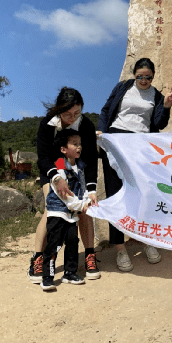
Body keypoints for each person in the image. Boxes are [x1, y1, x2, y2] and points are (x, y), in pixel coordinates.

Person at [97, 58, 172, 272]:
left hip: (140, 146)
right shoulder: (122, 88)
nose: (143, 80)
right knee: (116, 195)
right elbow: (106, 111)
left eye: (148, 77)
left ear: (153, 76)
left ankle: (146, 239)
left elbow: (159, 123)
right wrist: (101, 131)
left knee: (142, 194)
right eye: (139, 76)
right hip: (116, 142)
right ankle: (120, 248)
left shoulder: (156, 95)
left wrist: (166, 106)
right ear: (134, 75)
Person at [28, 87, 100, 284]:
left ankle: (89, 256)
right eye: (67, 114)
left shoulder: (85, 125)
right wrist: (56, 178)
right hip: (52, 170)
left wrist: (91, 190)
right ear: (59, 109)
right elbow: (42, 157)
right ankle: (38, 258)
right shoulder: (47, 124)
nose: (71, 118)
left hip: (77, 170)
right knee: (51, 209)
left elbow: (92, 159)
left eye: (76, 113)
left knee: (85, 209)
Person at [41, 129, 94, 291]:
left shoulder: (80, 166)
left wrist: (87, 200)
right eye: (75, 144)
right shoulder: (59, 166)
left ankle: (69, 273)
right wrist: (81, 206)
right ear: (63, 149)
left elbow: (82, 188)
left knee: (72, 242)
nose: (79, 147)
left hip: (72, 216)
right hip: (58, 213)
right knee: (54, 245)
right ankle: (47, 277)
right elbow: (64, 194)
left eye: (80, 144)